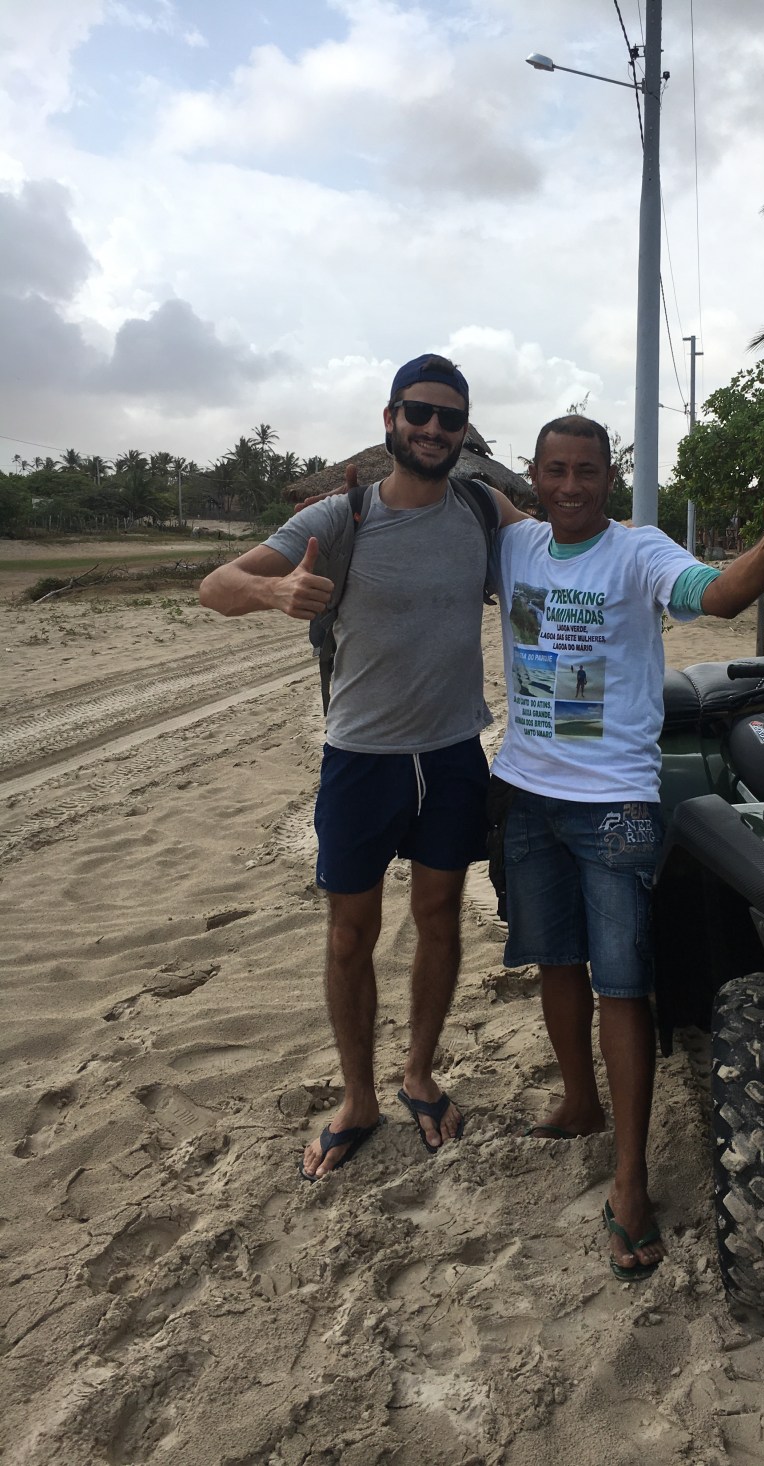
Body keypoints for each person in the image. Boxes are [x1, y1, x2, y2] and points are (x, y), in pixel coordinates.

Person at [490, 414, 764, 1280]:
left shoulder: (638, 551)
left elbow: (719, 594)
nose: (570, 486)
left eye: (586, 471)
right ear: (534, 476)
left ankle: (630, 1179)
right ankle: (579, 1102)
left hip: (614, 804)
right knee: (555, 960)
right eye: (555, 470)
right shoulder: (513, 544)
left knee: (623, 983)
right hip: (525, 792)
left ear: (611, 477)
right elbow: (448, 502)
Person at [199, 354, 525, 1177]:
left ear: (465, 432)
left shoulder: (482, 509)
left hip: (452, 752)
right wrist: (274, 593)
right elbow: (216, 585)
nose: (434, 429)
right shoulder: (341, 516)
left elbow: (567, 548)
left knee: (440, 917)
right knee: (351, 934)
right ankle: (357, 1097)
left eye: (450, 418)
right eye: (420, 413)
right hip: (361, 758)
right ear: (391, 420)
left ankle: (418, 1073)